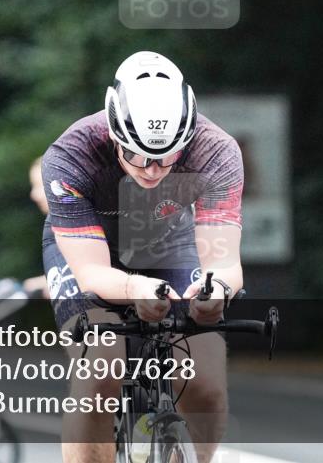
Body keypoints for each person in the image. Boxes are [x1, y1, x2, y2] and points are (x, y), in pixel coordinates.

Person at [41, 51, 244, 463]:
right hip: (92, 247)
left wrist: (213, 292)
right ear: (114, 133)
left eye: (166, 157)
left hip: (169, 243)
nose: (151, 170)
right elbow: (93, 272)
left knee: (206, 383)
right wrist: (136, 287)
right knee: (101, 371)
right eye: (135, 155)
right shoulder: (71, 154)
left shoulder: (216, 152)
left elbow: (224, 263)